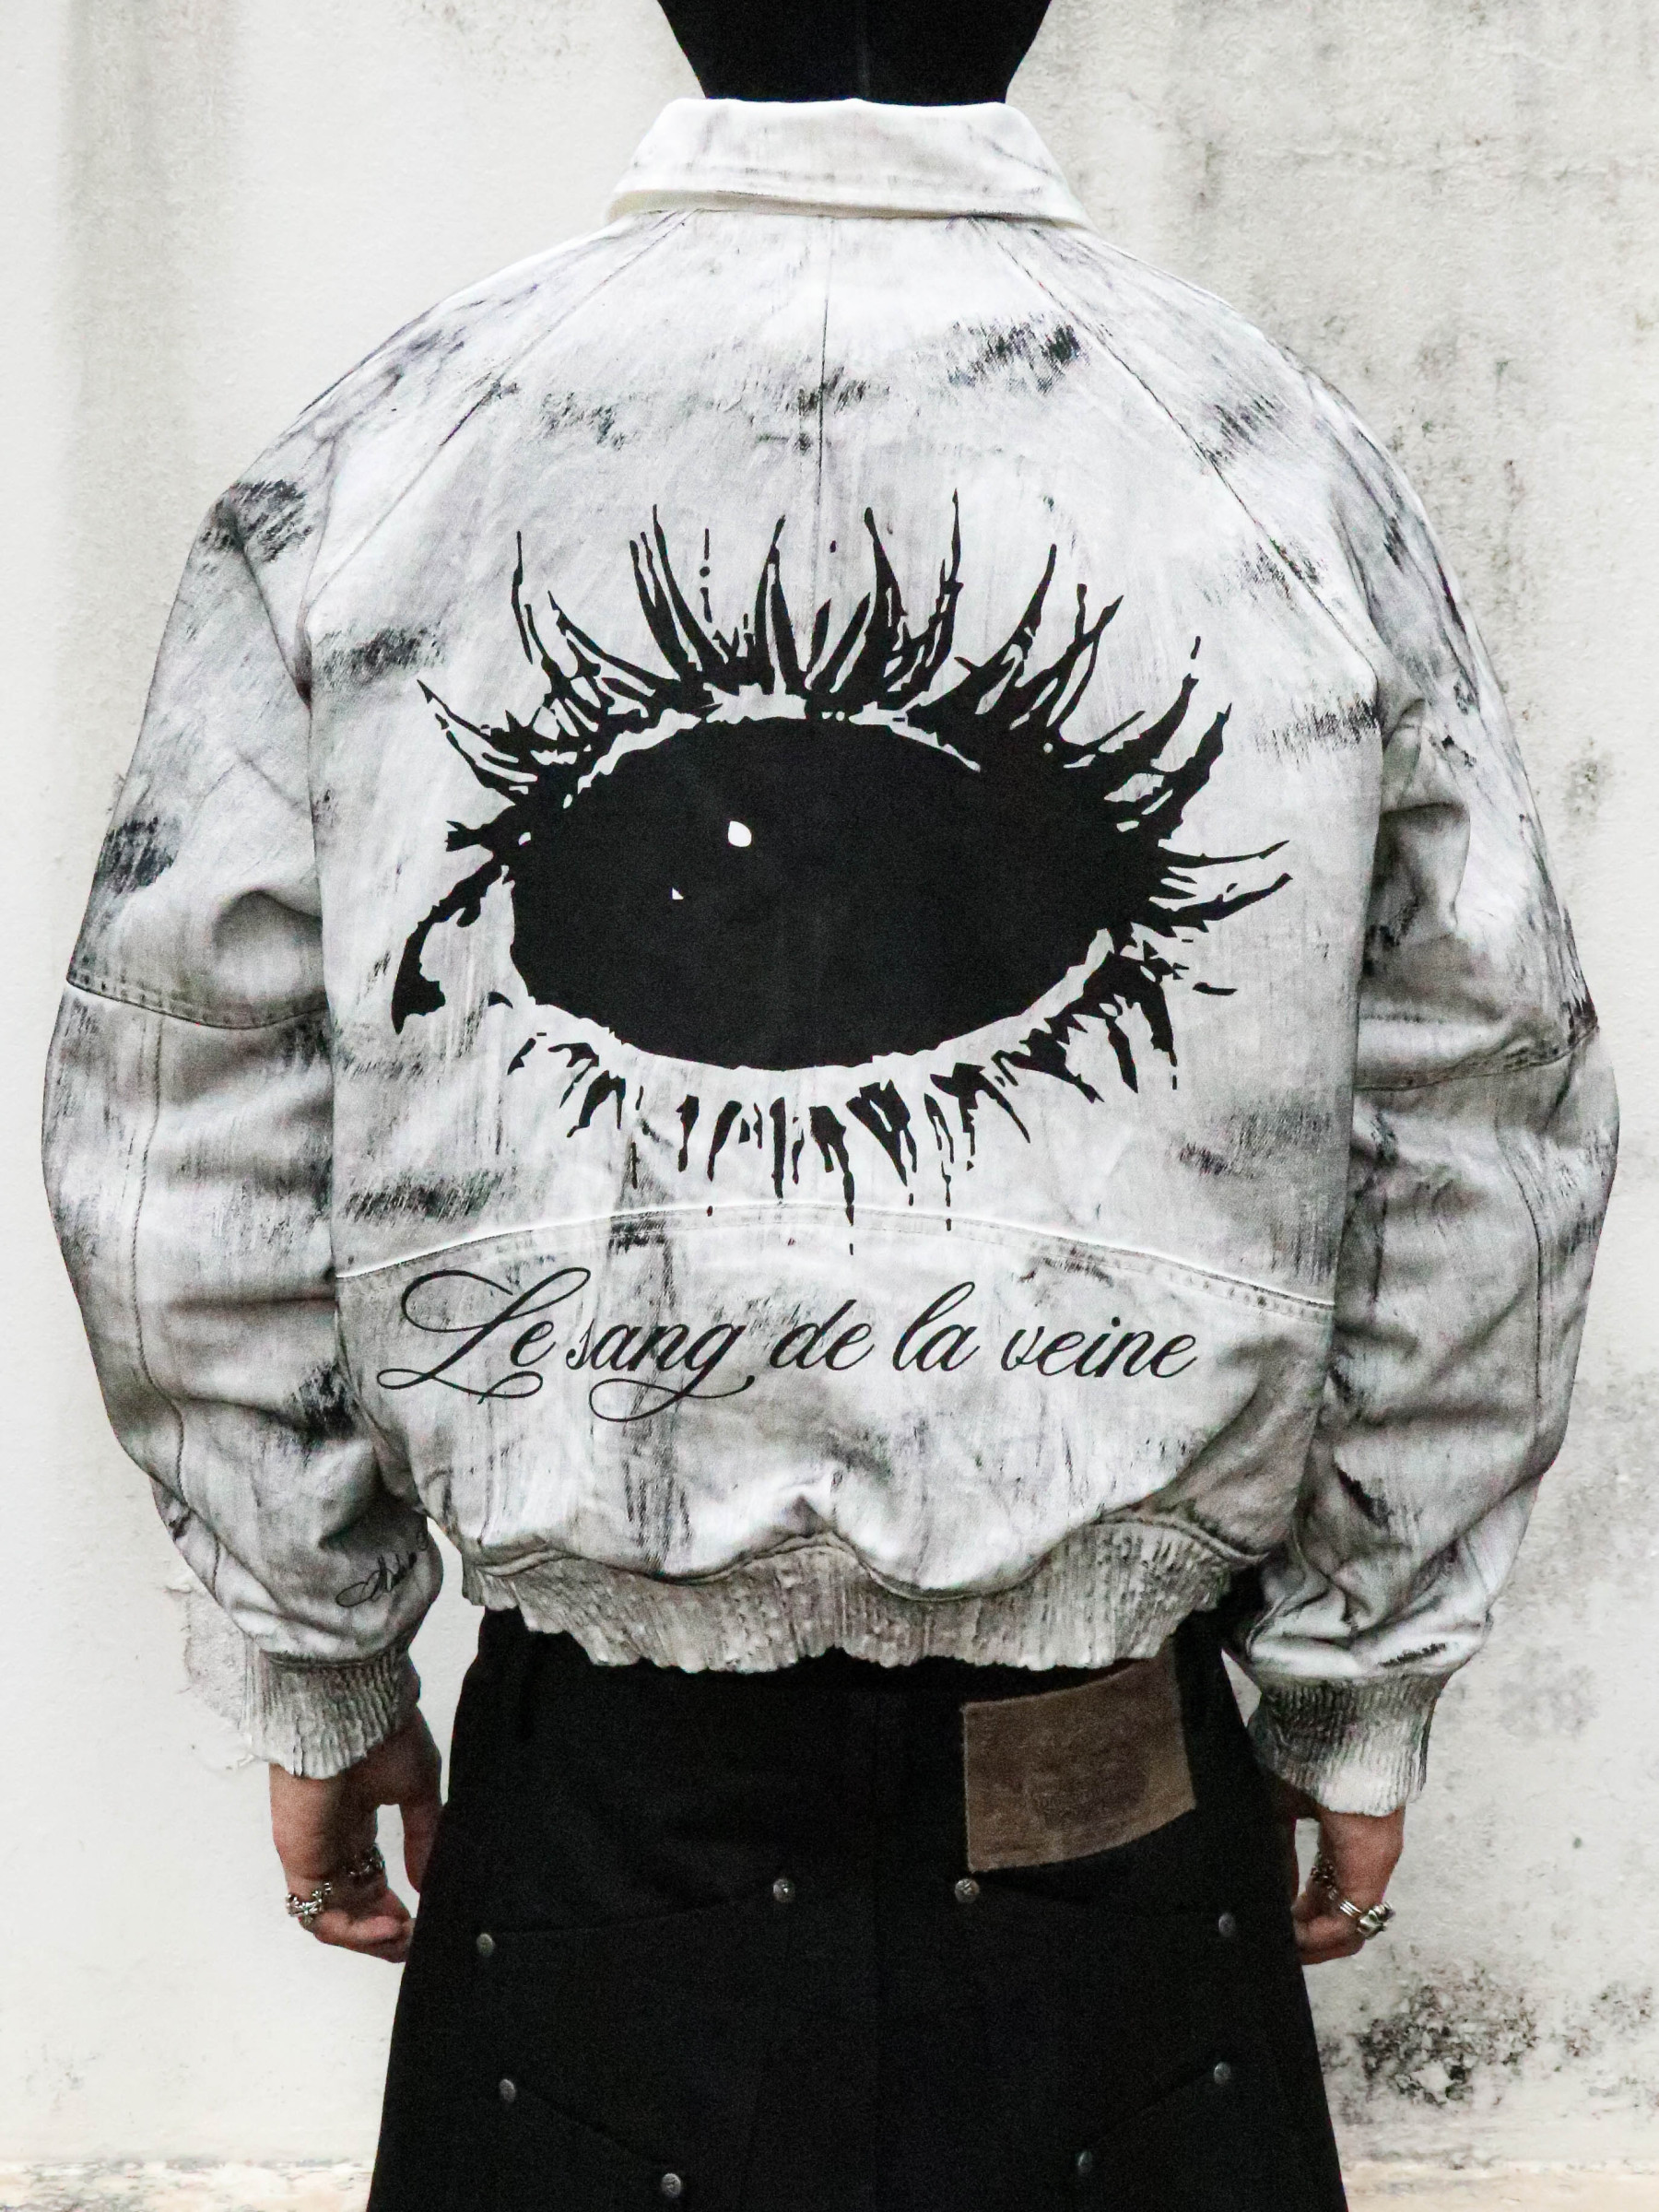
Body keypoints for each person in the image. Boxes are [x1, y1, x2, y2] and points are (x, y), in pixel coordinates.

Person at [43, 1, 1618, 2204]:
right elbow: (1481, 1115)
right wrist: (1354, 1686)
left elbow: (184, 1093)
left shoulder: (393, 445)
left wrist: (322, 1661)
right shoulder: (1278, 460)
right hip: (1111, 1831)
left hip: (599, 1831)